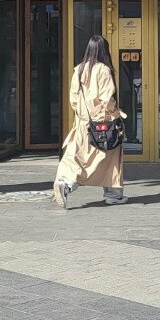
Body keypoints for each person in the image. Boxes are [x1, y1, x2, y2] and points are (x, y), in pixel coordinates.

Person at [54, 35, 127, 208]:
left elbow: (73, 99)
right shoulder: (103, 70)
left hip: (82, 122)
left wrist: (82, 114)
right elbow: (107, 98)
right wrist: (115, 113)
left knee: (80, 157)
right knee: (111, 157)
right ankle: (113, 194)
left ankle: (66, 183)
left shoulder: (79, 70)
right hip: (103, 123)